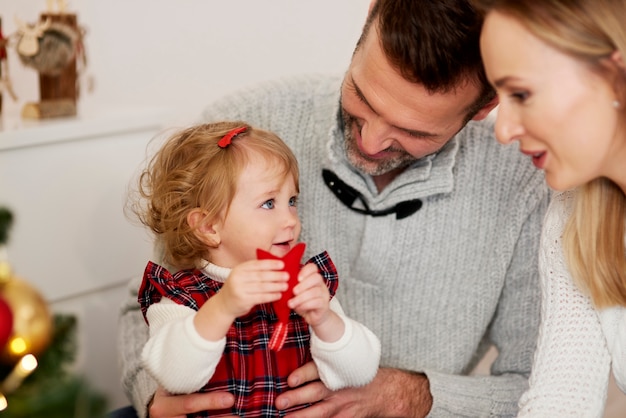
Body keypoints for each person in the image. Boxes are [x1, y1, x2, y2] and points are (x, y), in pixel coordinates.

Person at [117, 1, 550, 417]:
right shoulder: (241, 132)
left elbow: (542, 389)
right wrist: (153, 399)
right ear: (368, 17)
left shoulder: (524, 182)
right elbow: (145, 310)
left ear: (485, 106)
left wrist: (412, 397)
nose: (371, 141)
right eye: (362, 96)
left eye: (413, 130)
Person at [129, 121, 380, 418]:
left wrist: (325, 319)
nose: (290, 220)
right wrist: (222, 307)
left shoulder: (307, 285)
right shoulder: (181, 298)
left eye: (292, 201)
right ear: (209, 227)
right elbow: (175, 376)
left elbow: (359, 372)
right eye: (268, 203)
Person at [473, 0, 626, 416]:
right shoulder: (576, 214)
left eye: (521, 93)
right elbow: (562, 396)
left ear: (613, 74)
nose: (503, 131)